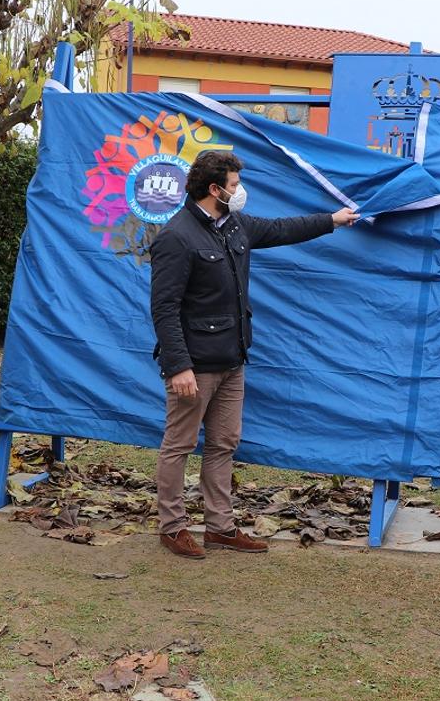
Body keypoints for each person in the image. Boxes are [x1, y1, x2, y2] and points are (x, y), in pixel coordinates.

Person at [149, 151, 359, 559]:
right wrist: (178, 365)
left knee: (224, 444)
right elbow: (164, 307)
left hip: (232, 359)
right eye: (234, 184)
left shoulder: (235, 225)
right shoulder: (177, 236)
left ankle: (220, 527)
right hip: (195, 366)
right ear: (214, 189)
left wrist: (332, 220)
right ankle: (172, 528)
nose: (239, 191)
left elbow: (283, 229)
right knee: (179, 445)